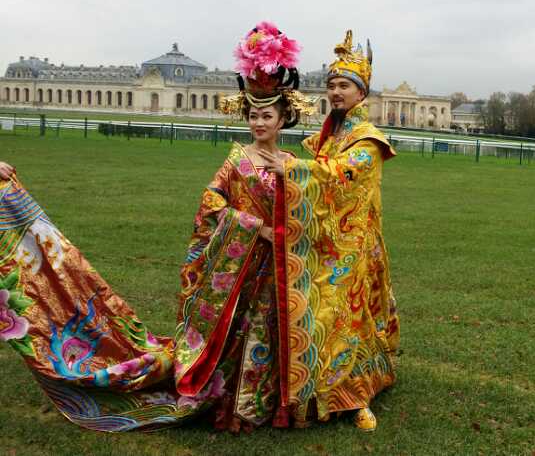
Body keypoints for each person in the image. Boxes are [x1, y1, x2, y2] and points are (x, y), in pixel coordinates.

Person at [0, 22, 328, 432]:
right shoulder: (236, 160)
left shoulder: (294, 164)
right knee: (242, 329)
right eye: (254, 116)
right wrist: (251, 226)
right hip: (241, 266)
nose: (259, 123)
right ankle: (234, 401)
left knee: (278, 328)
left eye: (267, 116)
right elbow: (210, 207)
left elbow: (316, 212)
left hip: (281, 266)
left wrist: (298, 183)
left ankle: (275, 401)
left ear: (283, 120)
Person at [259, 30, 399, 431]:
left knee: (348, 317)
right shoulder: (328, 134)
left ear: (362, 94)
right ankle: (318, 386)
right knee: (321, 314)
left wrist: (295, 169)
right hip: (325, 240)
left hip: (354, 246)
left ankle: (356, 395)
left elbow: (344, 174)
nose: (335, 93)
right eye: (332, 86)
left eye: (344, 86)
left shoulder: (367, 139)